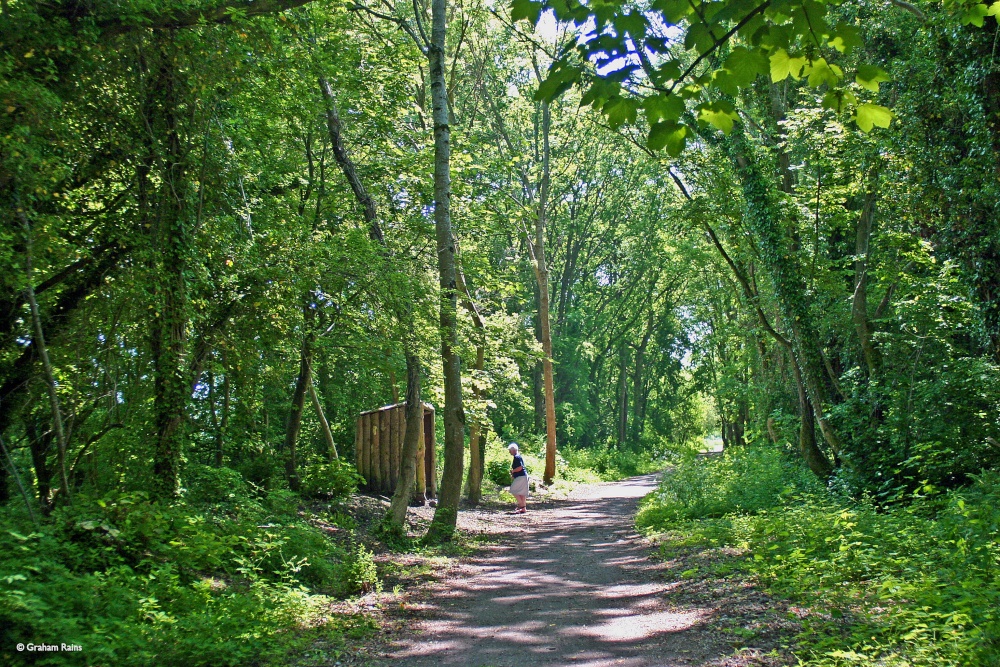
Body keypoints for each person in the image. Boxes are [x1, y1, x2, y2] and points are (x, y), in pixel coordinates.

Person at [508, 442, 528, 513]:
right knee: (522, 492)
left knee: (513, 490)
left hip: (521, 476)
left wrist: (513, 471)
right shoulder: (518, 456)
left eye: (510, 450)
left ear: (513, 450)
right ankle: (523, 508)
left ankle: (521, 505)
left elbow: (520, 467)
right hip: (523, 476)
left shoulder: (517, 457)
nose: (509, 452)